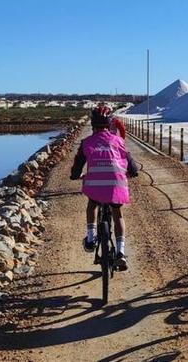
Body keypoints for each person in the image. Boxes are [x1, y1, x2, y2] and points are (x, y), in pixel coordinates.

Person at [71, 105, 139, 271]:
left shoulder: (86, 142)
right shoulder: (119, 141)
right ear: (109, 124)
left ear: (92, 125)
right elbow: (133, 167)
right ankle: (121, 252)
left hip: (95, 185)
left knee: (92, 204)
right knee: (117, 214)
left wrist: (75, 176)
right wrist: (131, 173)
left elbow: (77, 167)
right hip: (117, 184)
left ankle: (90, 238)